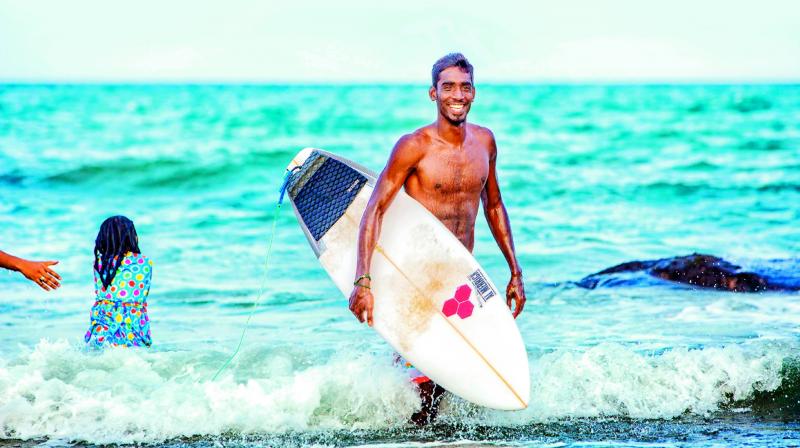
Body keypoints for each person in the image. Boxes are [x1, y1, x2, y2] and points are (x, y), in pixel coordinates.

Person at [348, 53, 526, 425]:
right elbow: (375, 210)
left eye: (464, 87)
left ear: (474, 93)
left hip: (459, 275)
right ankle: (403, 428)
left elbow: (494, 206)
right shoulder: (414, 146)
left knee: (450, 375)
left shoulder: (485, 143)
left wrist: (515, 272)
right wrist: (362, 280)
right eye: (448, 87)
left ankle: (423, 432)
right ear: (433, 93)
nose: (457, 95)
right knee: (424, 382)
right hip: (415, 275)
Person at [84, 216, 153, 348]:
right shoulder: (144, 262)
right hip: (133, 324)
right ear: (132, 237)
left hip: (103, 323)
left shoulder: (99, 263)